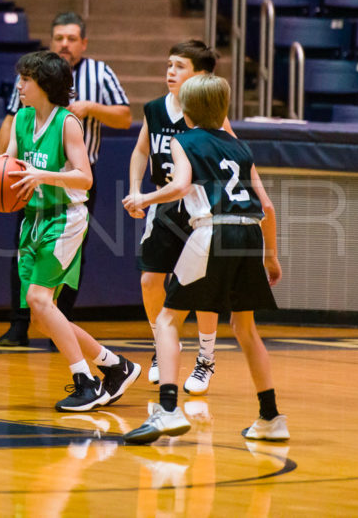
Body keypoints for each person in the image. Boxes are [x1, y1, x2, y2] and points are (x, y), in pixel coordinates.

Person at [122, 73, 287, 444]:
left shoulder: (185, 141)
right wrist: (271, 257)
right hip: (249, 235)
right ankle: (271, 416)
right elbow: (267, 206)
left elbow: (180, 186)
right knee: (246, 330)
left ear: (189, 113)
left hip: (213, 230)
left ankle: (167, 411)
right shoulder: (240, 148)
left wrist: (144, 199)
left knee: (167, 319)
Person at [0, 50, 141, 412]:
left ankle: (86, 382)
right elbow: (10, 163)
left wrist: (43, 176)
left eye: (26, 80)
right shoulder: (21, 118)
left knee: (39, 299)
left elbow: (85, 177)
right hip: (33, 219)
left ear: (45, 86)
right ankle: (116, 366)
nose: (19, 85)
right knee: (40, 317)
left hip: (65, 216)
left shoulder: (67, 123)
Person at [0, 12, 131, 347]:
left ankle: (66, 326)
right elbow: (11, 130)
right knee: (23, 255)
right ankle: (21, 322)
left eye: (72, 38)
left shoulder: (95, 80)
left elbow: (126, 117)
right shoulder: (27, 104)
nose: (65, 44)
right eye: (59, 37)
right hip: (32, 188)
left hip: (68, 186)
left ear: (83, 42)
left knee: (67, 263)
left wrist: (93, 108)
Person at [128, 40, 233, 394]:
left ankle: (206, 358)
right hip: (163, 203)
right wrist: (135, 190)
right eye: (168, 65)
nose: (170, 72)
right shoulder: (156, 109)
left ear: (201, 75)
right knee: (149, 280)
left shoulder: (209, 115)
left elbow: (232, 153)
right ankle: (163, 345)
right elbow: (141, 150)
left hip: (201, 207)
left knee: (200, 288)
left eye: (179, 66)